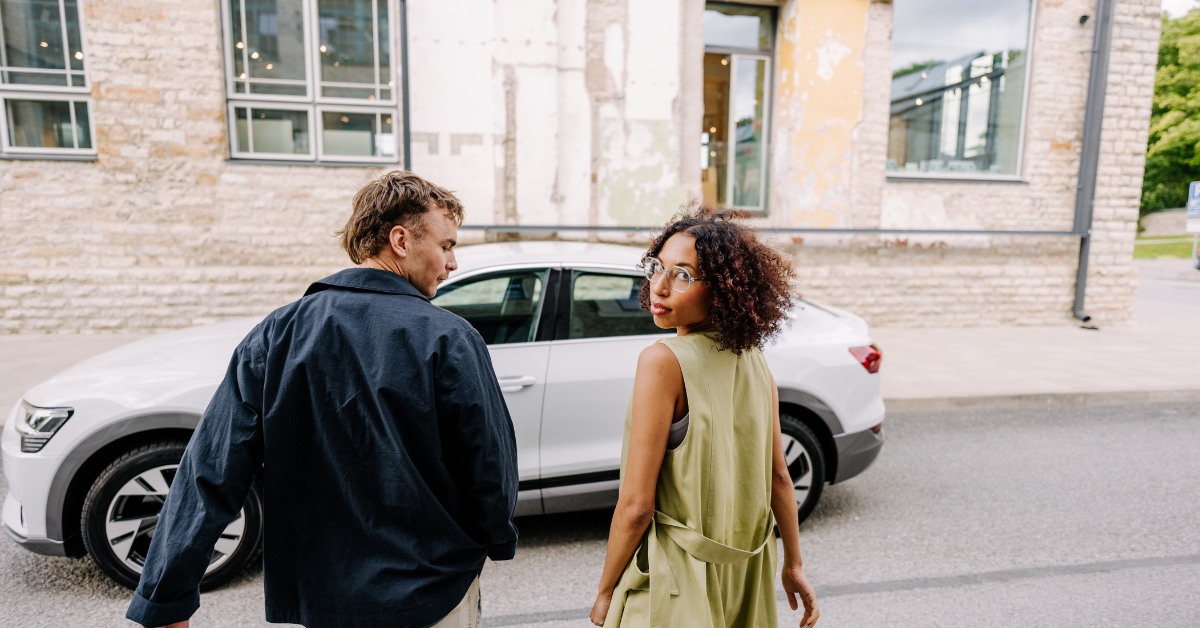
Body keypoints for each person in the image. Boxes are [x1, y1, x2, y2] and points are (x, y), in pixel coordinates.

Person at [126, 171, 519, 628]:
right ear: (400, 240)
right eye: (447, 246)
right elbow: (491, 472)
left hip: (323, 600)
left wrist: (165, 598)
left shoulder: (277, 335)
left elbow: (210, 471)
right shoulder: (450, 338)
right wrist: (492, 538)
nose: (452, 263)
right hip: (431, 593)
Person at [589, 206, 820, 628]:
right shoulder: (755, 362)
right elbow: (780, 477)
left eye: (682, 276)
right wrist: (794, 565)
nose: (659, 287)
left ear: (724, 290)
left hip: (675, 581)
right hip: (745, 578)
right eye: (657, 267)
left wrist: (606, 591)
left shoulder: (663, 361)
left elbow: (637, 507)